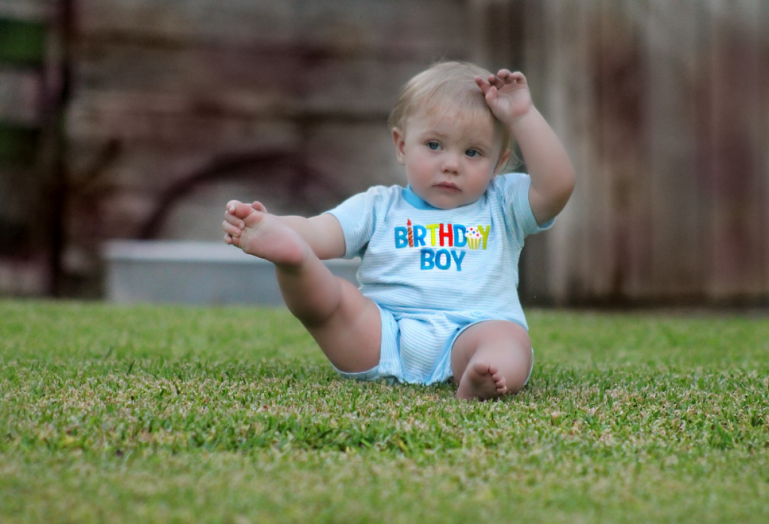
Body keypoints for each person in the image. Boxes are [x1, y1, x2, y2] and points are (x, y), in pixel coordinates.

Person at [222, 61, 574, 400]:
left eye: (472, 152)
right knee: (337, 299)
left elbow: (557, 186)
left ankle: (483, 375)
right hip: (382, 334)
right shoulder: (378, 207)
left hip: (472, 332)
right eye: (434, 145)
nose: (451, 164)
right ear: (403, 146)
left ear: (497, 163)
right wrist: (275, 226)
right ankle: (293, 261)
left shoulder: (503, 204)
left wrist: (523, 116)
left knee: (509, 340)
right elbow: (319, 231)